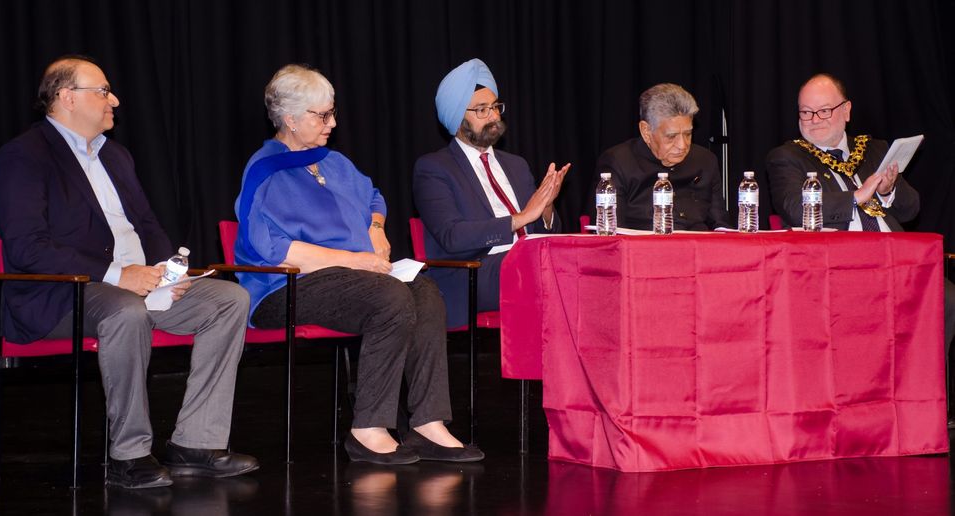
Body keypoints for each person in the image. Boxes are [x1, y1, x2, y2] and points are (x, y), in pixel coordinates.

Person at [0, 56, 258, 489]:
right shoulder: (23, 156)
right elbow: (27, 247)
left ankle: (196, 443)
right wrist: (118, 274)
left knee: (229, 300)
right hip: (65, 294)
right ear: (66, 97)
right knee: (125, 311)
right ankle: (128, 454)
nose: (113, 99)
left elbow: (146, 225)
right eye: (102, 91)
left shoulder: (116, 155)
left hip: (139, 283)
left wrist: (170, 271)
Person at [235, 64, 483, 465]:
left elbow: (374, 197)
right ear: (290, 119)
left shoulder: (334, 163)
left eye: (332, 112)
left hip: (355, 278)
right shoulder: (264, 171)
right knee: (389, 296)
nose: (332, 123)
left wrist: (376, 227)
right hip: (284, 287)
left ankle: (427, 423)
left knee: (423, 288)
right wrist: (353, 261)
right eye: (322, 115)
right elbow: (270, 248)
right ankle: (367, 428)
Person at [766, 72, 954, 356]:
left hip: (895, 259)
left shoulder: (874, 150)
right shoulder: (788, 158)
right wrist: (856, 197)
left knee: (947, 296)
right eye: (806, 112)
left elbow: (910, 209)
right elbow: (794, 208)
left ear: (846, 110)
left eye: (824, 111)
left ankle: (921, 386)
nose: (815, 119)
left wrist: (887, 190)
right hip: (840, 264)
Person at [413, 58, 569, 328]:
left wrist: (545, 209)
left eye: (496, 107)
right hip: (473, 273)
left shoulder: (516, 165)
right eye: (482, 110)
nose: (495, 116)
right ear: (458, 118)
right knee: (545, 267)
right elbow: (453, 237)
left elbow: (545, 235)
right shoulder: (433, 168)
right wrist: (519, 219)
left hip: (527, 264)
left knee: (576, 259)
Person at [595, 83, 730, 231]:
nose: (682, 145)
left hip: (699, 249)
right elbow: (612, 232)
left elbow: (721, 225)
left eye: (688, 134)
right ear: (646, 131)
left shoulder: (705, 161)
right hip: (643, 250)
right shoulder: (619, 162)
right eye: (671, 136)